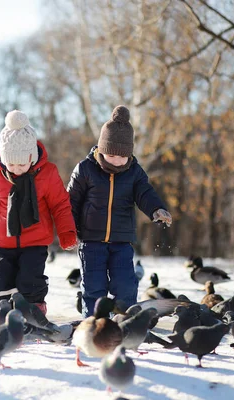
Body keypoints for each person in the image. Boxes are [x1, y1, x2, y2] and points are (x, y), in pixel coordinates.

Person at [67, 105, 172, 317]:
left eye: (122, 156)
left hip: (122, 241)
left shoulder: (134, 172)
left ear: (129, 154)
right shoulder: (86, 169)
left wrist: (157, 209)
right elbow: (70, 201)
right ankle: (94, 323)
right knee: (94, 287)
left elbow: (145, 193)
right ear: (102, 148)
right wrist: (69, 230)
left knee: (125, 285)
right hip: (91, 240)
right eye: (111, 155)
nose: (116, 161)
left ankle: (124, 320)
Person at [0, 110, 77, 315]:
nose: (16, 169)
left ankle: (34, 311)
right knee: (2, 280)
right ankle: (4, 311)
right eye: (11, 163)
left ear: (32, 156)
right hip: (3, 240)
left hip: (36, 240)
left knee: (30, 280)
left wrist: (66, 233)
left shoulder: (47, 173)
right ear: (3, 157)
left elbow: (61, 205)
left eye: (22, 163)